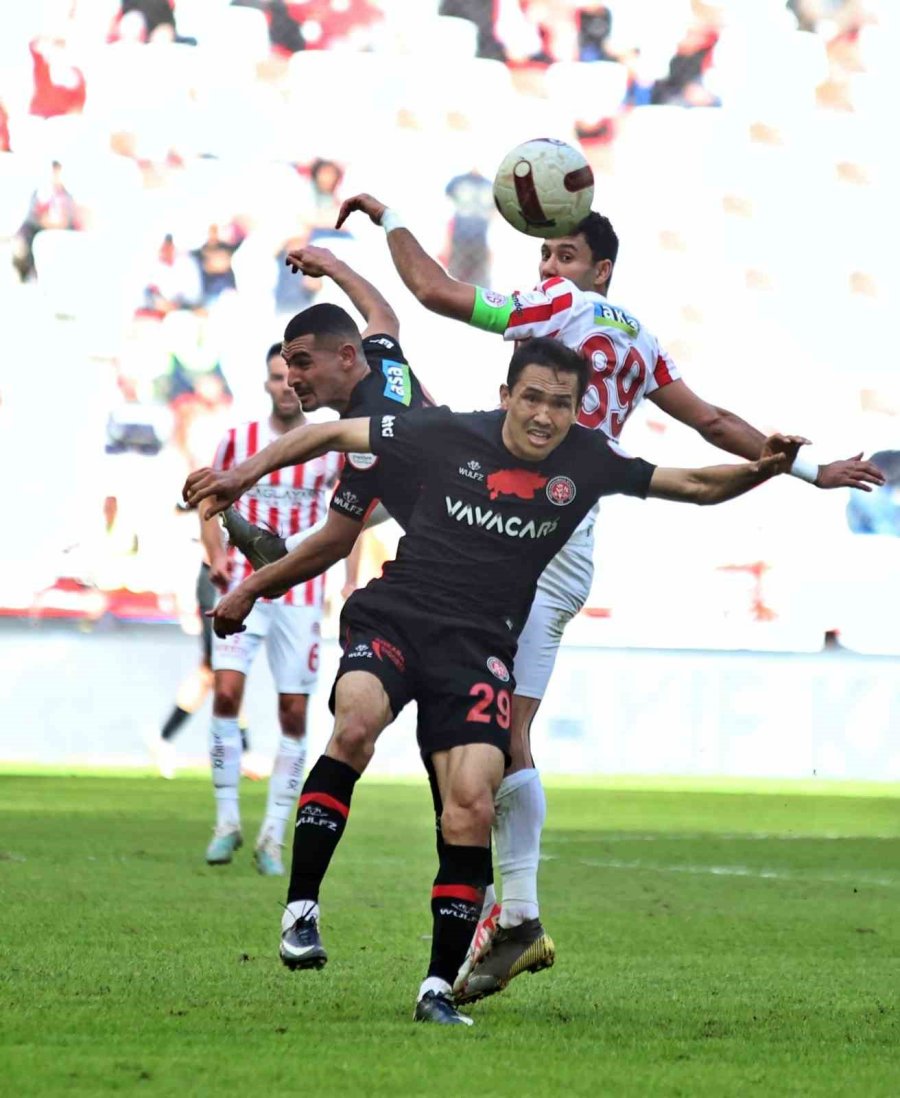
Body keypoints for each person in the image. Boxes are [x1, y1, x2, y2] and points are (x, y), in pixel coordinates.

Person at [329, 192, 886, 1001]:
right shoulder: (640, 338)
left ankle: (513, 913)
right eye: (543, 257)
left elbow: (436, 294)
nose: (547, 269)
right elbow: (713, 420)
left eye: (563, 254)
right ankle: (508, 913)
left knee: (490, 728)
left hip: (524, 528)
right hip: (572, 531)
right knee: (491, 727)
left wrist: (391, 220)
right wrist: (807, 469)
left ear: (600, 269)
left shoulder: (561, 310)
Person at [193, 336, 805, 1025]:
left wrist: (766, 468)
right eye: (533, 398)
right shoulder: (450, 431)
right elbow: (333, 430)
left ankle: (434, 989)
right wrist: (243, 475)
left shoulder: (588, 462)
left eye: (562, 405)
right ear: (506, 395)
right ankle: (301, 908)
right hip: (399, 615)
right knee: (356, 724)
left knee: (472, 805)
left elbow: (693, 486)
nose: (544, 417)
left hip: (479, 644)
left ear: (579, 413)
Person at [200, 342, 340, 875]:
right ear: (266, 383)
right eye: (277, 376)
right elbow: (209, 502)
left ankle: (272, 837)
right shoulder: (239, 440)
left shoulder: (328, 447)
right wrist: (215, 555)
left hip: (300, 594)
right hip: (242, 586)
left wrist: (346, 581)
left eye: (293, 375)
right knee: (226, 692)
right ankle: (226, 822)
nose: (286, 385)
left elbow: (346, 514)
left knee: (294, 712)